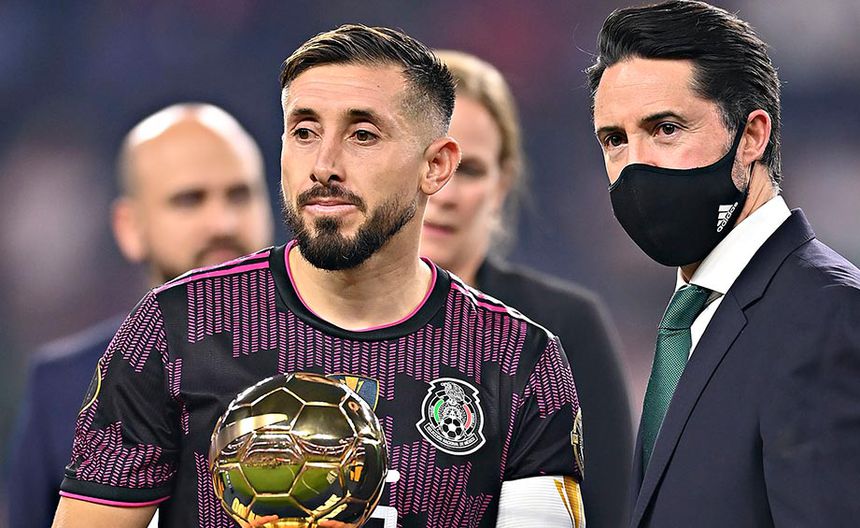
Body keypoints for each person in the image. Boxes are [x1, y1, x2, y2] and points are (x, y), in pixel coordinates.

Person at [52, 25, 585, 528]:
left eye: (363, 135)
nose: (324, 165)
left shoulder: (518, 360)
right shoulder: (176, 327)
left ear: (436, 166)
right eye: (304, 132)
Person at [587, 1, 860, 526]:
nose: (635, 165)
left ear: (752, 135)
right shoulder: (691, 317)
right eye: (615, 140)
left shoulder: (826, 316)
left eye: (666, 129)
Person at [6, 102, 274, 528]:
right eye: (189, 200)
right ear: (130, 227)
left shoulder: (329, 361)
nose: (222, 222)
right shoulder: (60, 387)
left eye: (240, 195)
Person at [422, 50, 632, 528]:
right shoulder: (308, 321)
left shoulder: (564, 327)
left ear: (502, 185)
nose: (445, 193)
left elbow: (605, 512)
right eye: (430, 162)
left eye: (469, 170)